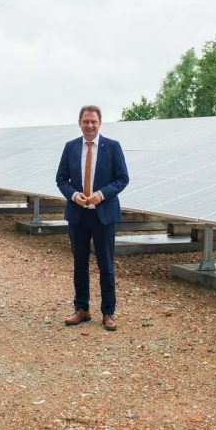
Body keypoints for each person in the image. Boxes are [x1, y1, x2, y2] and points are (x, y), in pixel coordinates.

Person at [55, 105, 130, 331]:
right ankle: (82, 309)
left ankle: (108, 313)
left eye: (94, 122)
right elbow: (61, 179)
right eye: (86, 121)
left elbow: (123, 178)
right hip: (78, 215)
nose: (90, 125)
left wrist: (102, 194)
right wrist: (73, 195)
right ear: (80, 123)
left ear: (100, 123)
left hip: (103, 215)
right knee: (80, 263)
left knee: (106, 264)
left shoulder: (113, 147)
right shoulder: (70, 148)